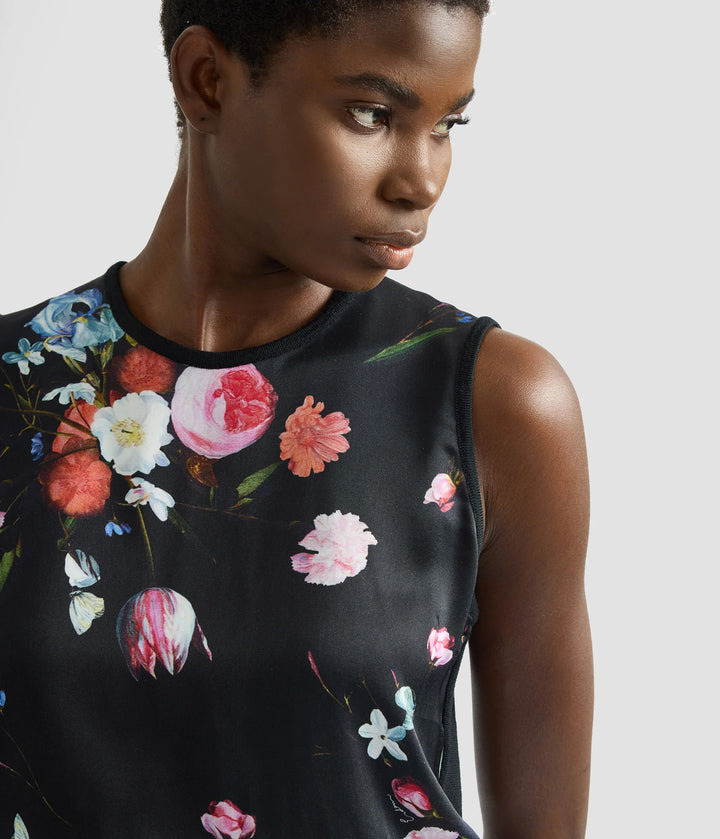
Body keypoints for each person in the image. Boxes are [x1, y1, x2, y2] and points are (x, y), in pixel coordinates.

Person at [0, 1, 593, 837]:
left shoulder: (494, 405)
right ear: (206, 80)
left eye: (447, 123)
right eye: (373, 114)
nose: (420, 179)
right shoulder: (18, 390)